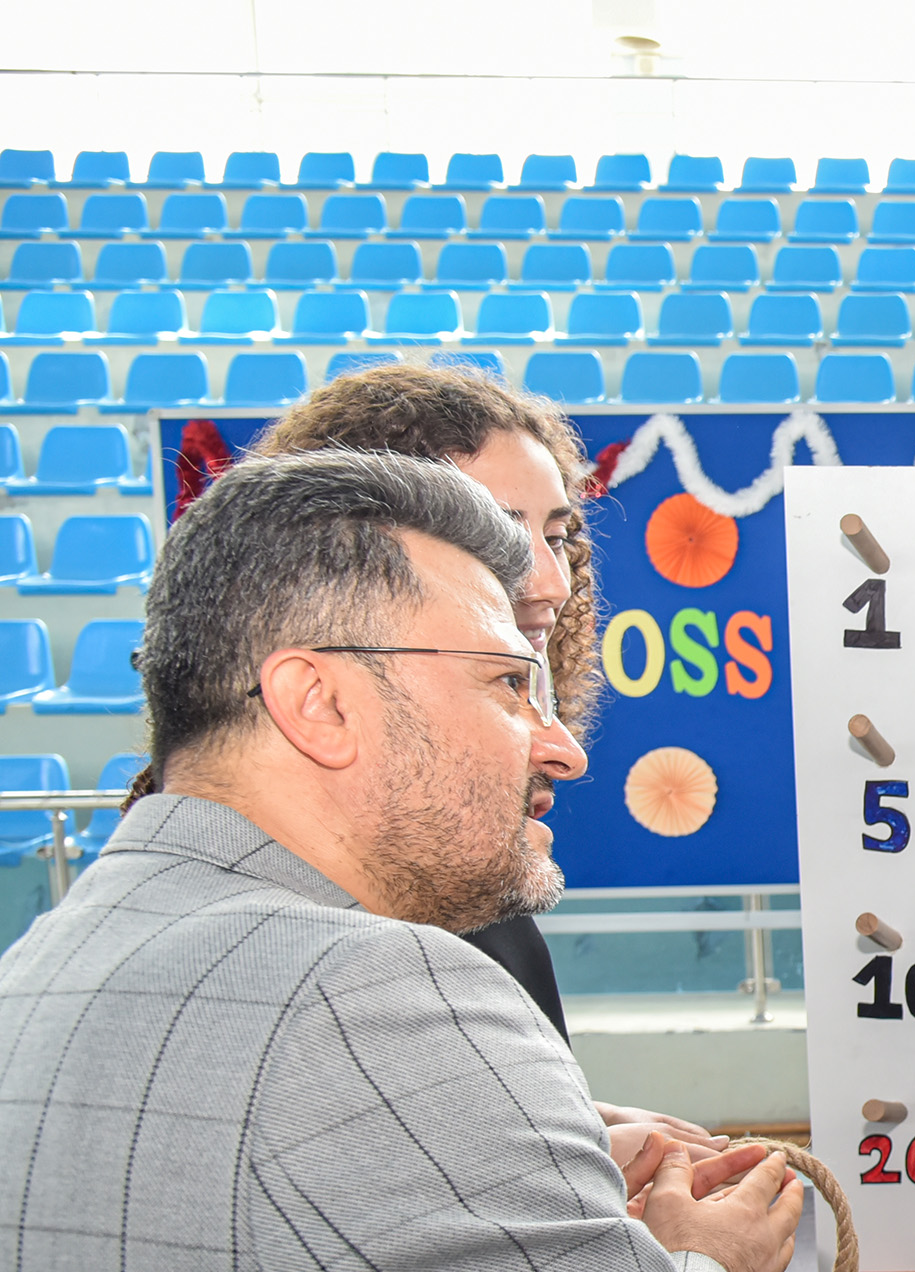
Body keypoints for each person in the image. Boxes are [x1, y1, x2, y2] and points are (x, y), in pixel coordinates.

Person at [0, 450, 806, 1272]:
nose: (562, 747)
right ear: (318, 702)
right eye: (508, 683)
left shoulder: (46, 961)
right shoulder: (370, 1000)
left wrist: (545, 1184)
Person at [248, 362, 724, 1182]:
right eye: (495, 531)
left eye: (558, 535)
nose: (552, 580)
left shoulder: (469, 884)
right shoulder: (303, 926)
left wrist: (560, 1130)